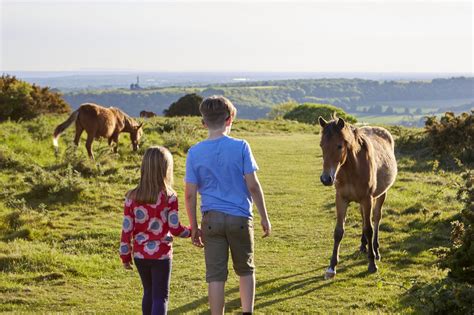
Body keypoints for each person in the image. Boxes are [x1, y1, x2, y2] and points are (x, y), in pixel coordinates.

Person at [184, 96, 272, 315]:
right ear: (230, 119)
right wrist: (264, 216)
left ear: (203, 123)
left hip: (211, 220)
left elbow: (189, 195)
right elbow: (253, 185)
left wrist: (194, 227)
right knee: (245, 269)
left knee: (215, 276)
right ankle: (247, 312)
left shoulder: (194, 152)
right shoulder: (241, 146)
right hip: (240, 218)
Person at [119, 146, 191, 315]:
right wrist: (192, 231)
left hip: (140, 255)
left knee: (149, 293)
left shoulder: (132, 197)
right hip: (162, 255)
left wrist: (125, 255)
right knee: (160, 297)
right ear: (166, 169)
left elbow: (126, 230)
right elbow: (175, 228)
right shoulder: (170, 197)